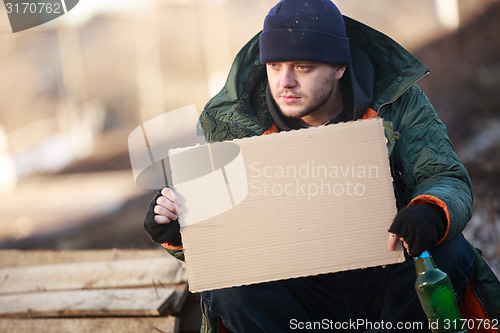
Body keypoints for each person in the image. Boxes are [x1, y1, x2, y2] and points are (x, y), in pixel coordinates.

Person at [143, 0, 500, 332]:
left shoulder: (395, 103)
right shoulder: (235, 129)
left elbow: (443, 175)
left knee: (449, 253)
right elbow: (224, 244)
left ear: (340, 66)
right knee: (231, 290)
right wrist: (179, 233)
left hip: (387, 272)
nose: (285, 82)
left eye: (303, 67)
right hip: (296, 291)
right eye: (275, 66)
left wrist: (428, 213)